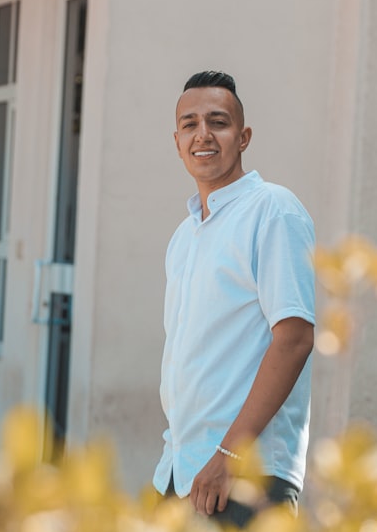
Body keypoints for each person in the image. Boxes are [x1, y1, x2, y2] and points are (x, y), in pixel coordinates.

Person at [153, 70, 316, 528]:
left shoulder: (274, 211)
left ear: (243, 137)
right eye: (190, 124)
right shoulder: (185, 236)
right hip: (182, 471)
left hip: (246, 476)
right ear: (177, 139)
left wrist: (228, 453)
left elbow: (295, 339)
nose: (202, 134)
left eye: (218, 122)